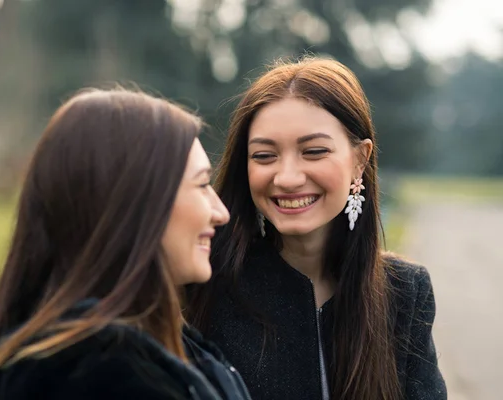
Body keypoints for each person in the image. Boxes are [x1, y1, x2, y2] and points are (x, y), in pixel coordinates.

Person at [0, 89, 253, 400]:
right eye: (201, 185)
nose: (220, 213)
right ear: (133, 206)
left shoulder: (151, 351)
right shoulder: (101, 378)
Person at [185, 58, 447, 400]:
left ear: (360, 159)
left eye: (314, 151)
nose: (288, 178)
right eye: (264, 156)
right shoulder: (205, 283)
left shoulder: (405, 292)